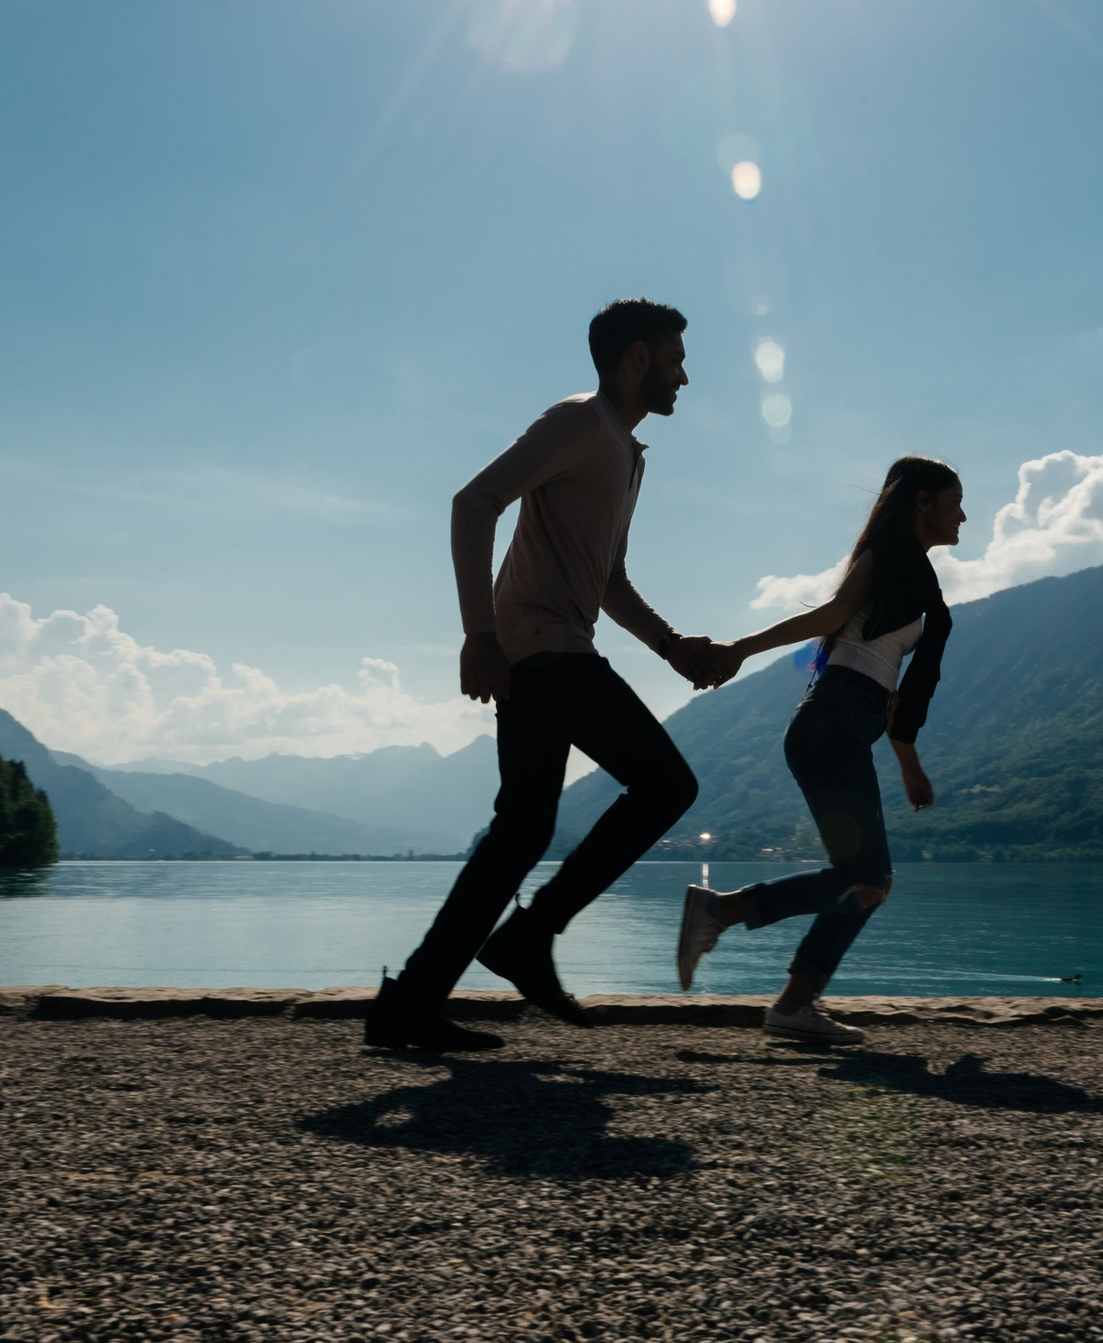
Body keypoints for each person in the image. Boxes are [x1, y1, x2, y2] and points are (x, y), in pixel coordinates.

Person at [366, 299, 724, 1052]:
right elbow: (474, 503)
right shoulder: (578, 422)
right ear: (635, 359)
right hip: (545, 651)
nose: (684, 375)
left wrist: (671, 646)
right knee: (667, 785)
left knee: (521, 831)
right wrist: (477, 635)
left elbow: (611, 581)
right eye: (674, 357)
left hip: (554, 648)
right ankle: (531, 934)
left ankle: (412, 1000)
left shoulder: (627, 455)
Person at [672, 455, 965, 1044]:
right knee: (869, 879)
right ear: (923, 502)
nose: (964, 516)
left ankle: (788, 998)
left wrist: (909, 766)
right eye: (955, 501)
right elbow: (829, 617)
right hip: (832, 723)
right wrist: (740, 649)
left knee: (864, 879)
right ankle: (731, 927)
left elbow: (895, 698)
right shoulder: (886, 558)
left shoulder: (925, 592)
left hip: (843, 727)